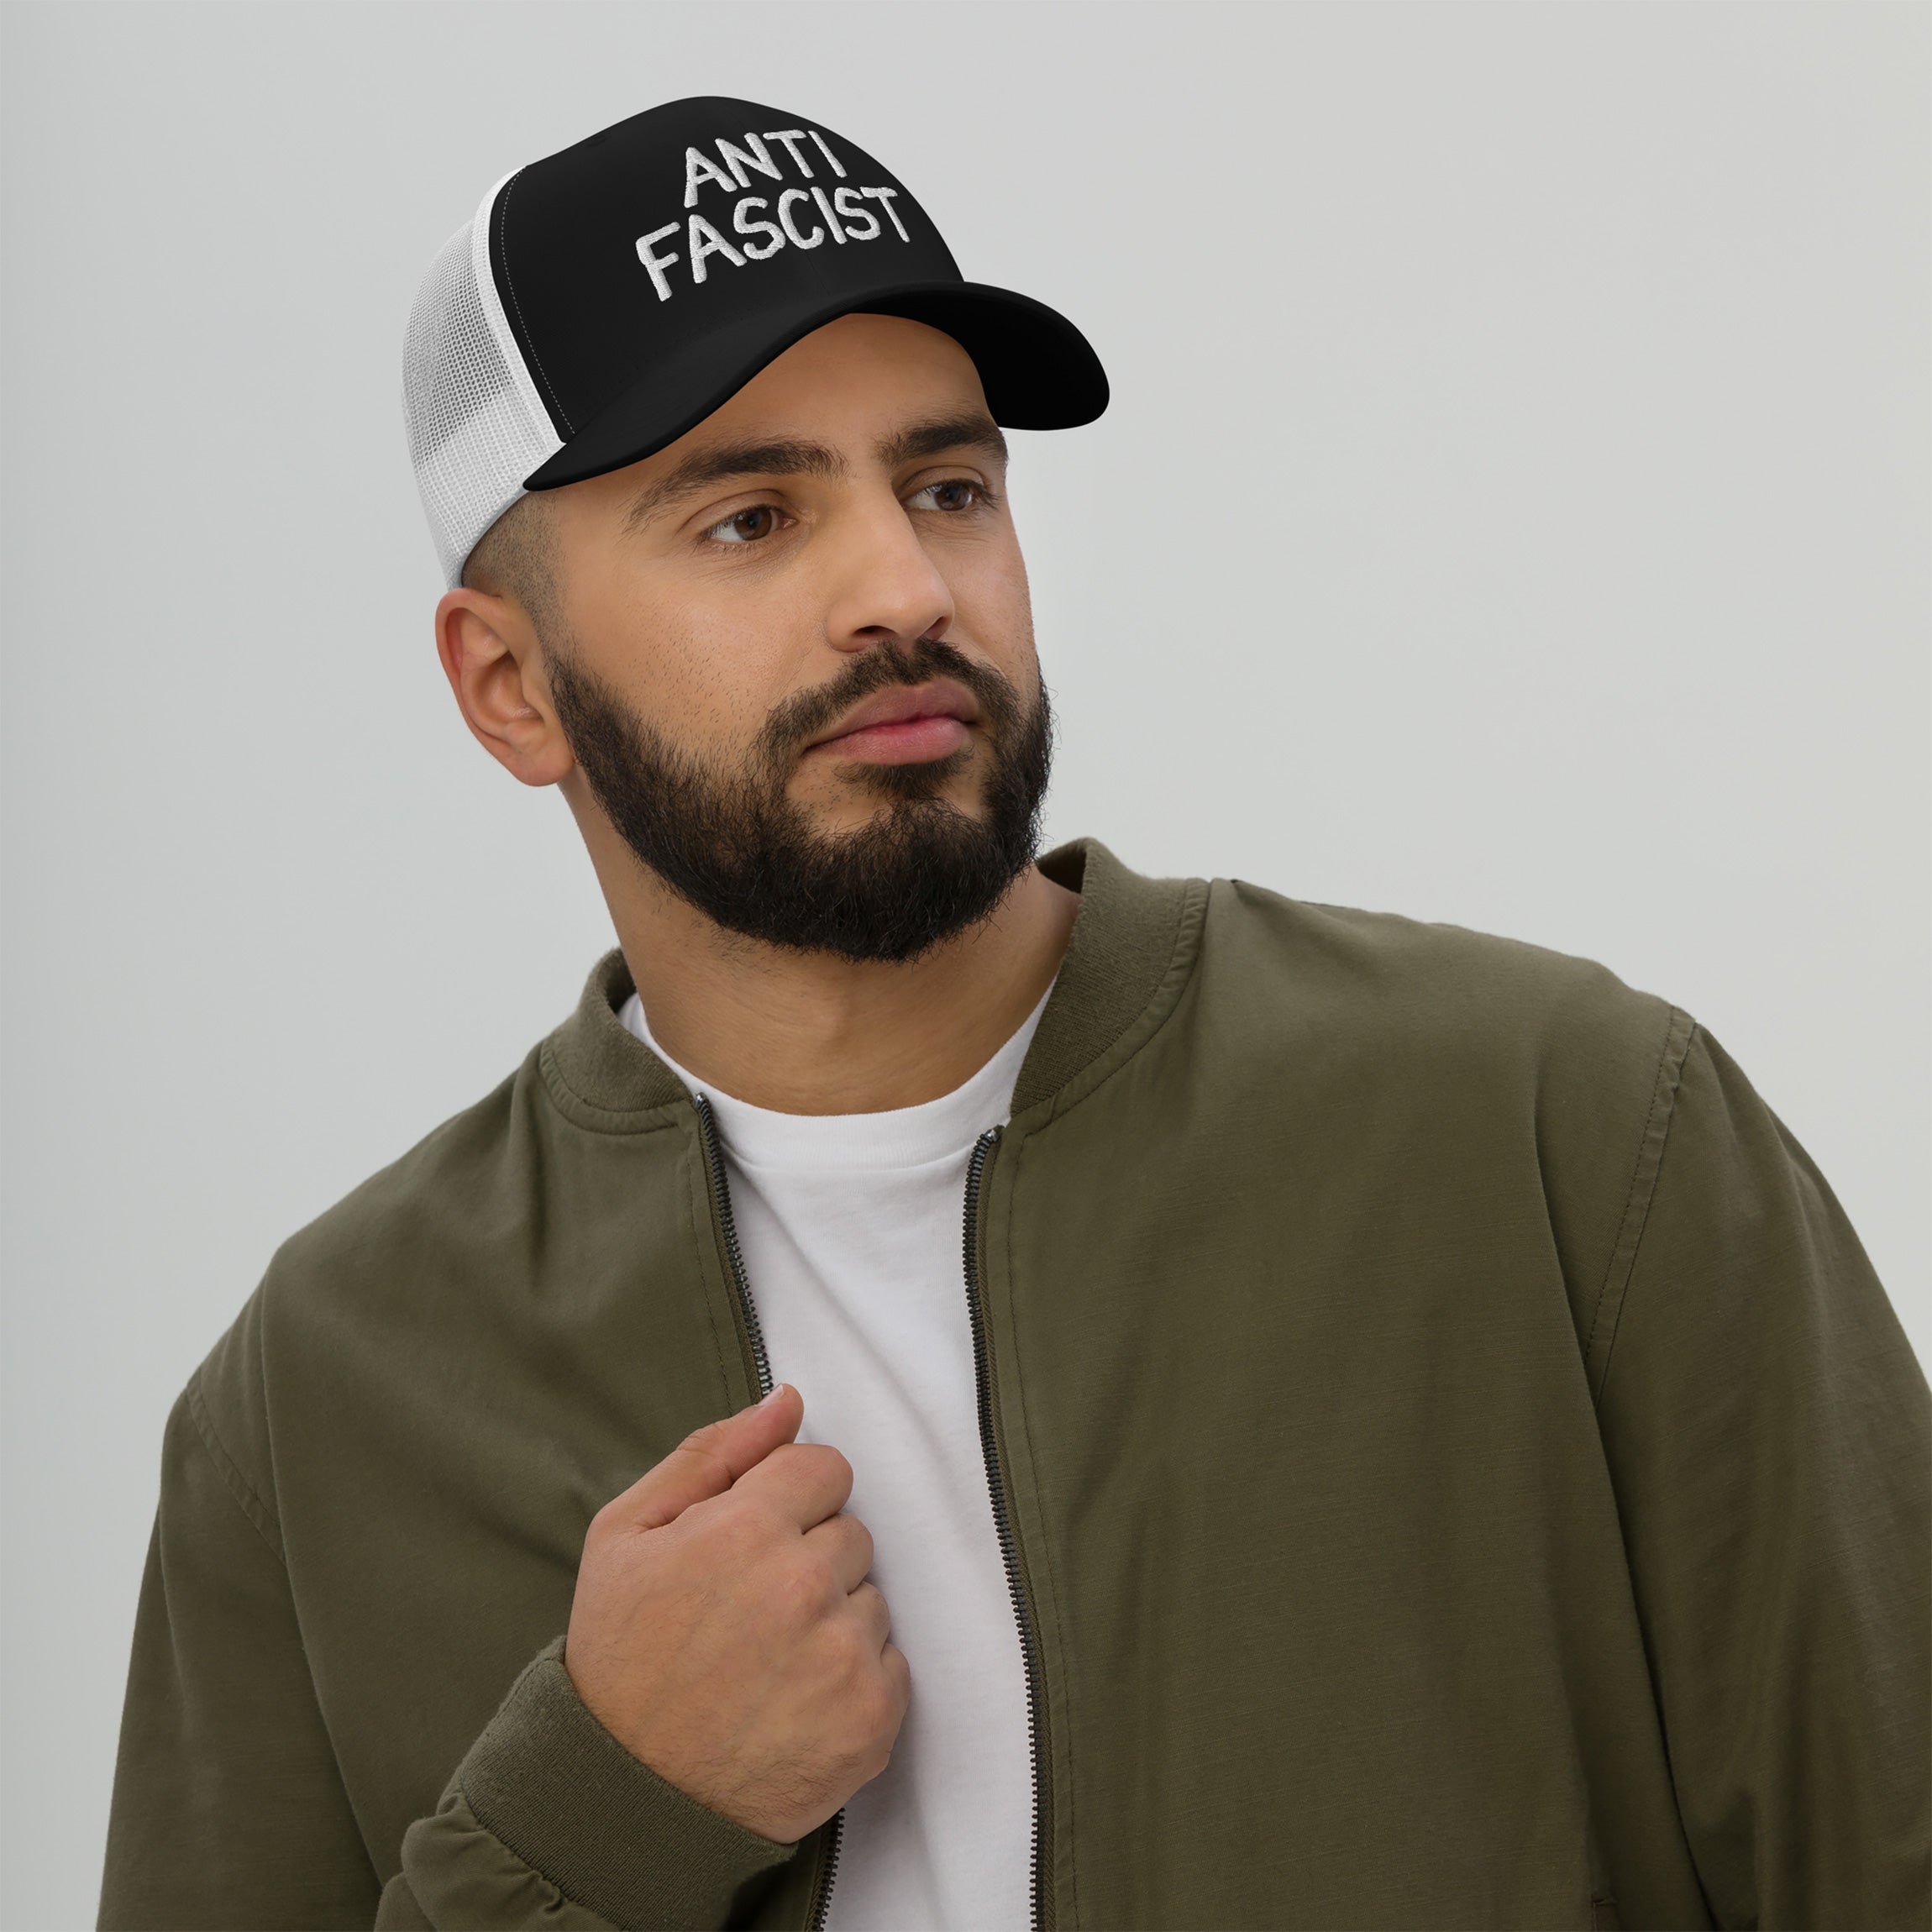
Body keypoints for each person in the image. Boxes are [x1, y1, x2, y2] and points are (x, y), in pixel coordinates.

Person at [99, 96, 1927, 1932]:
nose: (903, 588)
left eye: (949, 486)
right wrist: (594, 1815)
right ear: (510, 687)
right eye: (750, 517)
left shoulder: (1563, 1142)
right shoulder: (322, 1405)